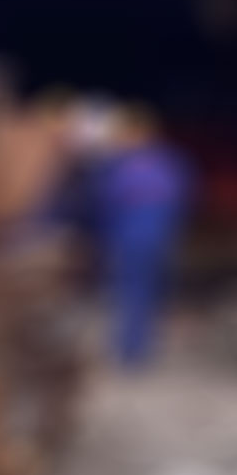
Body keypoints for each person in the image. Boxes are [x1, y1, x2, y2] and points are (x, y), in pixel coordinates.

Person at [93, 106, 193, 368]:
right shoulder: (169, 163)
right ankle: (139, 349)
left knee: (132, 291)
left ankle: (131, 350)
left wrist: (103, 237)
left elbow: (106, 203)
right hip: (156, 236)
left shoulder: (122, 167)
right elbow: (184, 199)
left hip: (133, 237)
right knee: (146, 291)